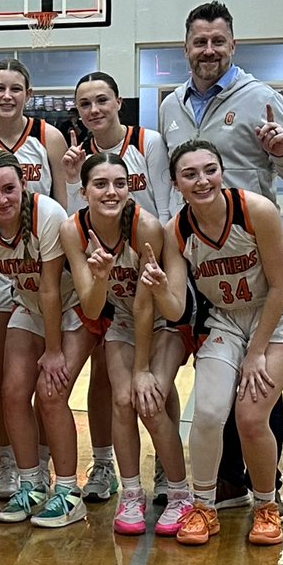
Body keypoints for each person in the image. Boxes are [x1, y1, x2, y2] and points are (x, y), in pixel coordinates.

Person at [158, 0, 283, 514]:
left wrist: (281, 149)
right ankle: (225, 481)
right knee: (217, 383)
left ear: (232, 45)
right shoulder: (170, 105)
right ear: (186, 48)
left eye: (217, 41)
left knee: (261, 384)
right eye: (199, 42)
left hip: (254, 249)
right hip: (207, 263)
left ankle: (267, 481)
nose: (208, 50)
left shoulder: (260, 98)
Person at [141, 139, 283, 547]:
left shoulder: (256, 211)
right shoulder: (176, 230)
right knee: (210, 413)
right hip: (225, 319)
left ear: (222, 171)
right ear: (175, 183)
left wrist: (255, 355)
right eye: (190, 174)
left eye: (209, 169)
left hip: (276, 314)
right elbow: (177, 307)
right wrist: (160, 289)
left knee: (250, 417)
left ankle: (266, 505)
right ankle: (203, 507)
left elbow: (281, 284)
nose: (202, 180)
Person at [60, 152, 192, 536]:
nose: (111, 191)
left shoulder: (145, 226)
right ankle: (131, 493)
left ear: (130, 187)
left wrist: (141, 369)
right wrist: (99, 278)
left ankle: (179, 493)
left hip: (164, 319)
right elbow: (91, 304)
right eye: (100, 184)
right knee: (121, 400)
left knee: (149, 402)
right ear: (84, 191)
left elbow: (146, 302)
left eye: (119, 183)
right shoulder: (73, 230)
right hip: (119, 317)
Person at [0, 149, 96, 528]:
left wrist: (53, 351)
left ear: (24, 184)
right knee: (12, 391)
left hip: (73, 308)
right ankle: (31, 484)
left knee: (51, 393)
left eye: (9, 188)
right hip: (30, 305)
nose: (1, 199)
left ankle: (70, 493)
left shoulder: (48, 214)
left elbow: (53, 289)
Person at [0, 58, 69, 499]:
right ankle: (10, 463)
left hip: (44, 260)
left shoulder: (48, 137)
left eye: (16, 88)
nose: (7, 96)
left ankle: (42, 463)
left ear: (28, 93)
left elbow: (63, 202)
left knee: (45, 377)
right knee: (1, 374)